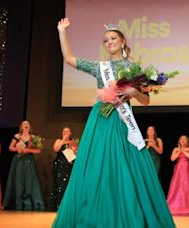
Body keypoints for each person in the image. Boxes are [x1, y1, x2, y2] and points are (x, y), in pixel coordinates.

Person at [52, 18, 175, 227]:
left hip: (121, 123)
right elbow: (70, 59)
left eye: (113, 38)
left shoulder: (132, 66)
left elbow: (145, 101)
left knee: (124, 167)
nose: (109, 42)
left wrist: (132, 91)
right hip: (100, 120)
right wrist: (62, 31)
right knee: (96, 166)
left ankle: (126, 213)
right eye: (106, 40)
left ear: (122, 40)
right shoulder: (100, 67)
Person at [3, 120, 45, 210]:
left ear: (29, 127)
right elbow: (10, 147)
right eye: (24, 124)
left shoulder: (33, 137)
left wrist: (28, 150)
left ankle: (30, 202)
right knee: (19, 180)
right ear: (21, 127)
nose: (26, 125)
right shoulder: (17, 136)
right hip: (19, 160)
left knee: (29, 180)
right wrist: (18, 148)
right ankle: (18, 202)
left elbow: (39, 150)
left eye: (27, 124)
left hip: (29, 160)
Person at [167, 135, 189, 215]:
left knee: (187, 187)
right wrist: (179, 151)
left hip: (187, 169)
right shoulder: (176, 149)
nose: (183, 140)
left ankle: (188, 205)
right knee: (177, 187)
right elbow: (172, 159)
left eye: (185, 139)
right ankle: (177, 204)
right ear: (179, 141)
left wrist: (184, 151)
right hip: (179, 170)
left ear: (187, 141)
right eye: (181, 139)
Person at [49, 127, 77, 211]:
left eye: (67, 131)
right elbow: (56, 149)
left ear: (70, 133)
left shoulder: (73, 142)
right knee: (60, 184)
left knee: (68, 184)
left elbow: (77, 154)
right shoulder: (58, 141)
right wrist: (63, 140)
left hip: (69, 165)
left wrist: (74, 150)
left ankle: (68, 205)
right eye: (63, 131)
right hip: (60, 165)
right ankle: (59, 204)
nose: (65, 132)